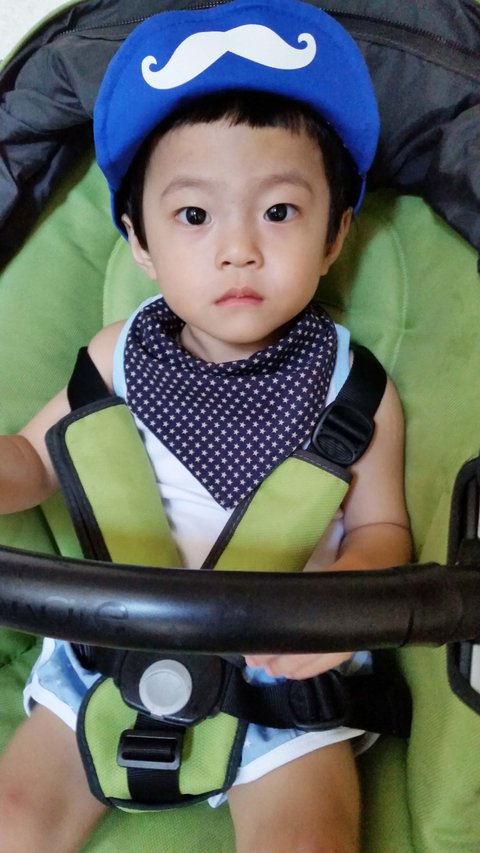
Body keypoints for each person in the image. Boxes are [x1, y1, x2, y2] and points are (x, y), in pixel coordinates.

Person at [0, 1, 411, 850]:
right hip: (106, 653)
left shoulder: (356, 388)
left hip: (281, 678)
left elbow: (384, 530)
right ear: (140, 242)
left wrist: (336, 614)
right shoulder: (114, 358)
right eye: (194, 216)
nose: (238, 249)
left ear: (336, 235)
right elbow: (31, 461)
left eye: (279, 212)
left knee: (310, 838)